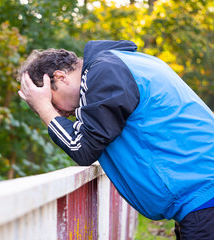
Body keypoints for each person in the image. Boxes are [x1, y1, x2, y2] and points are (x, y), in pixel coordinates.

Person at [17, 40, 214, 239]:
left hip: (203, 198)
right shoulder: (119, 64)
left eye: (51, 101)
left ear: (60, 77)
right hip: (200, 198)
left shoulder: (104, 74)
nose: (59, 113)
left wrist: (44, 109)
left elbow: (82, 148)